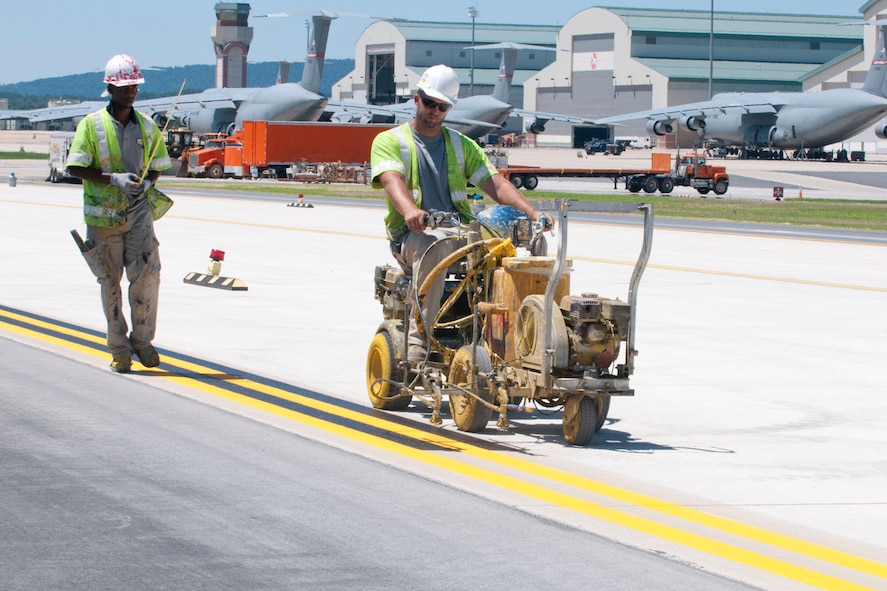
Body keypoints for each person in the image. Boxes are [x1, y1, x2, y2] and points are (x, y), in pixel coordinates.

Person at [370, 64, 550, 364]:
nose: (434, 111)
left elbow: (495, 184)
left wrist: (532, 213)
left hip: (462, 231)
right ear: (417, 100)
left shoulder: (461, 145)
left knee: (523, 248)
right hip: (413, 235)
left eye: (442, 106)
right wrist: (412, 211)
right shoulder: (390, 141)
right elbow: (392, 181)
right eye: (429, 103)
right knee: (436, 245)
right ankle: (419, 336)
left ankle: (518, 338)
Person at [67, 54, 173, 373]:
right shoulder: (92, 125)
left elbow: (157, 167)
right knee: (110, 281)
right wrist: (113, 179)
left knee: (147, 277)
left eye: (134, 86)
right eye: (125, 86)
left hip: (138, 215)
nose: (131, 92)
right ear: (110, 88)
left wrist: (145, 183)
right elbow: (75, 166)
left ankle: (143, 342)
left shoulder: (147, 125)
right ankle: (120, 348)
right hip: (104, 220)